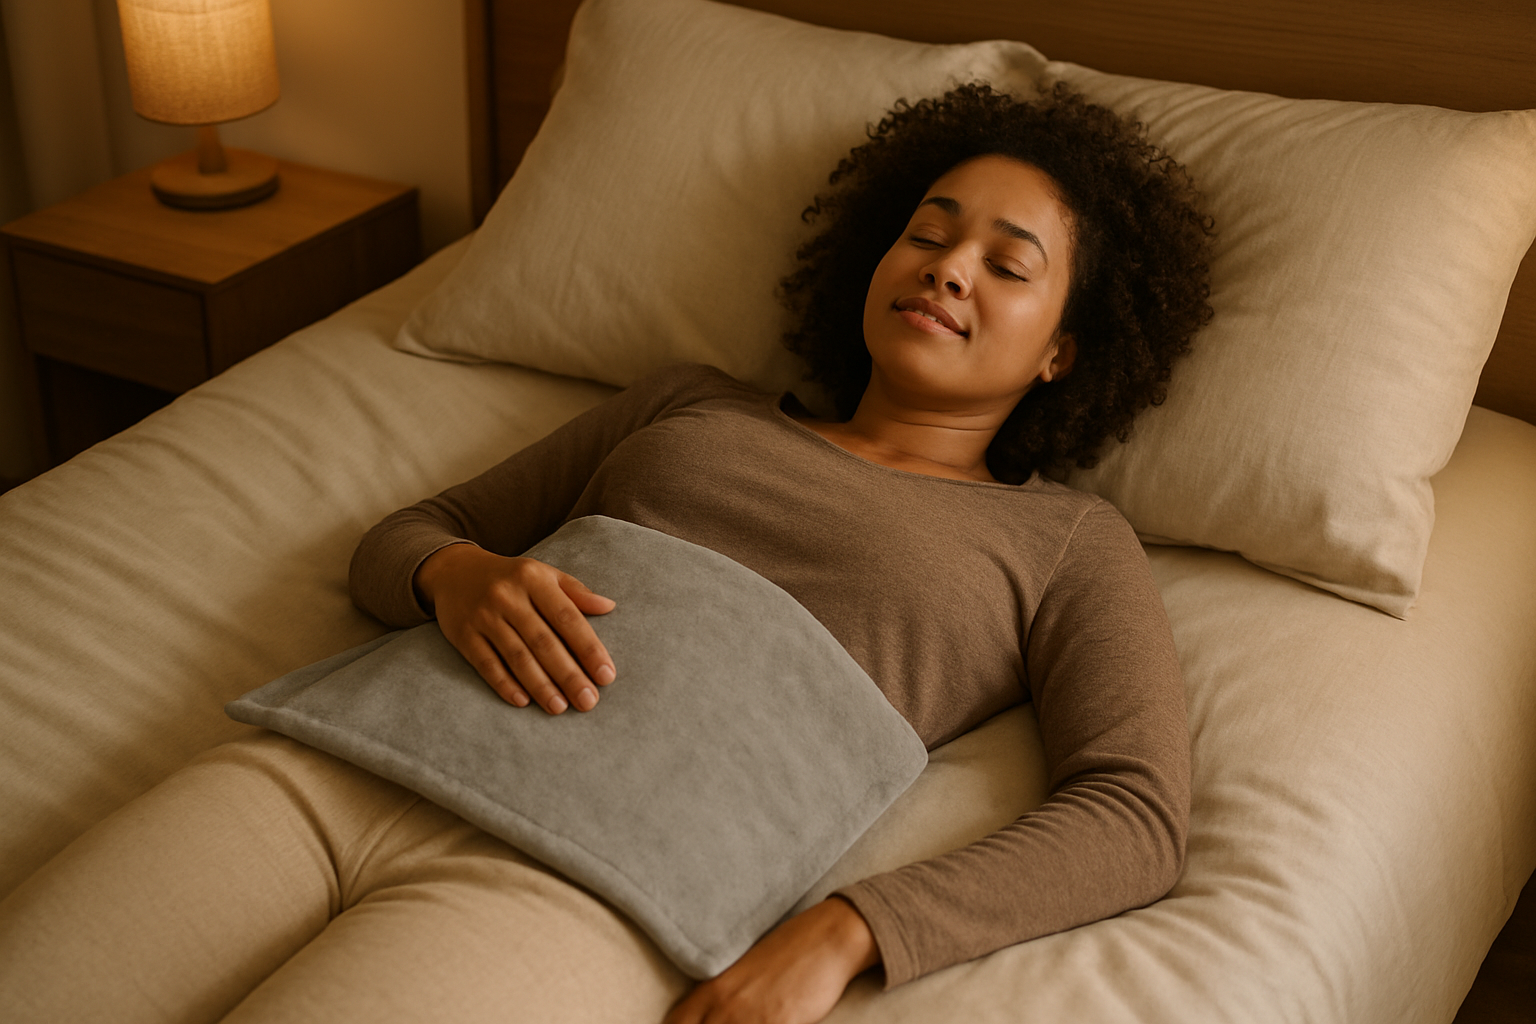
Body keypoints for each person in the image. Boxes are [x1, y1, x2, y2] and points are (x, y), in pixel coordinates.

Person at [0, 83, 1211, 1024]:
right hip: (336, 768)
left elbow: (1137, 812)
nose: (946, 265)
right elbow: (409, 536)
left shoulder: (1062, 542)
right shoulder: (695, 403)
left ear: (1062, 351)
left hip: (585, 891)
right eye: (926, 233)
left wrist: (846, 931)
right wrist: (457, 577)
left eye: (1007, 266)